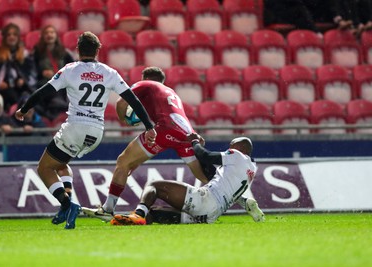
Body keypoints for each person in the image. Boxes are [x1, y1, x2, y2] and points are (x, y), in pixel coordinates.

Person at [15, 32, 156, 229]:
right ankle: (67, 202)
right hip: (97, 132)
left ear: (77, 50)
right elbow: (134, 100)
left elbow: (43, 91)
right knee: (61, 164)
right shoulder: (110, 73)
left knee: (45, 168)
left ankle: (68, 204)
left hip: (75, 127)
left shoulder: (70, 70)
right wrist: (149, 126)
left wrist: (24, 109)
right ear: (98, 50)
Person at [82, 66, 217, 222]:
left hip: (164, 130)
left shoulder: (145, 84)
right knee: (202, 174)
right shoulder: (171, 92)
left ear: (145, 78)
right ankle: (232, 199)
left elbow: (120, 103)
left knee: (123, 161)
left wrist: (124, 120)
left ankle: (108, 209)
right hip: (186, 135)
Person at [110, 134, 265, 225]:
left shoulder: (237, 155)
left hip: (205, 200)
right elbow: (211, 172)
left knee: (154, 185)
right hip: (210, 216)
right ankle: (130, 221)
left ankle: (137, 214)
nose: (228, 149)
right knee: (155, 213)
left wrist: (195, 142)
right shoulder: (251, 168)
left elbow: (206, 156)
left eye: (232, 146)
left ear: (242, 149)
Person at [32, 25, 75, 120]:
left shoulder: (64, 52)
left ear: (56, 36)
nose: (49, 35)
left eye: (52, 32)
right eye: (46, 33)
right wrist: (42, 73)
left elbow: (72, 68)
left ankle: (57, 105)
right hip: (43, 81)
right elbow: (32, 69)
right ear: (43, 36)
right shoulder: (37, 52)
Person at [0, 23, 37, 112]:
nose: (11, 37)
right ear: (4, 38)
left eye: (14, 34)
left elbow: (31, 72)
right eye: (8, 35)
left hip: (21, 88)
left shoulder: (25, 55)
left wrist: (23, 80)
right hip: (4, 89)